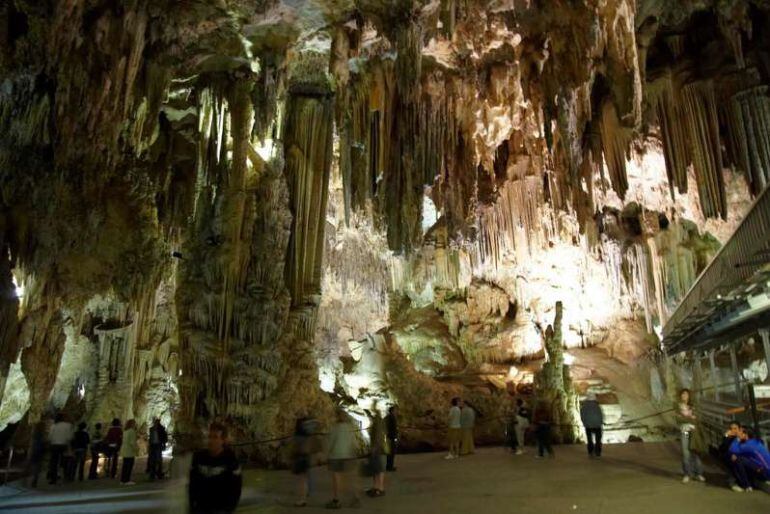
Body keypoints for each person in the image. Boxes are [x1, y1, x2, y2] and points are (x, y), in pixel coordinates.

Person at [189, 422, 243, 514]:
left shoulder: (230, 459)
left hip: (221, 509)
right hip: (201, 508)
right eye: (209, 436)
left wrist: (229, 508)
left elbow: (236, 487)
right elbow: (192, 484)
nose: (211, 440)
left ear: (223, 440)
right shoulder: (199, 457)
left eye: (215, 437)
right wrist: (192, 506)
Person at [325, 408, 359, 509]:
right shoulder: (349, 428)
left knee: (336, 478)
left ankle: (336, 500)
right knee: (350, 477)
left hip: (336, 456)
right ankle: (355, 498)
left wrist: (326, 453)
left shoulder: (334, 428)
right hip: (348, 455)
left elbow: (330, 442)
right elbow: (354, 443)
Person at [675, 388, 706, 483]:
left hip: (694, 432)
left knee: (695, 452)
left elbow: (696, 419)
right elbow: (678, 420)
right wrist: (690, 418)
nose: (684, 396)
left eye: (686, 394)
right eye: (683, 394)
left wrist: (685, 417)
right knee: (685, 453)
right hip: (685, 431)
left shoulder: (693, 406)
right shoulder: (677, 406)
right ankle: (687, 474)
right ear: (680, 396)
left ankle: (699, 473)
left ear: (689, 396)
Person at [728, 426, 770, 492]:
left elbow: (732, 449)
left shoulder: (747, 446)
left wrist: (736, 439)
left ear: (745, 435)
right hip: (764, 470)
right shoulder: (754, 442)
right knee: (738, 458)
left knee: (738, 460)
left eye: (740, 431)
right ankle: (747, 484)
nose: (737, 433)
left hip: (766, 473)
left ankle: (746, 485)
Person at [291, 417, 317, 507]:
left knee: (301, 480)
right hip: (305, 458)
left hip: (300, 458)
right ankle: (304, 496)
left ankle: (302, 500)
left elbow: (297, 447)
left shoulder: (298, 436)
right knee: (305, 478)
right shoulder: (308, 434)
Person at [365, 408, 387, 498]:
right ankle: (375, 487)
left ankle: (380, 488)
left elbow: (378, 436)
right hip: (376, 448)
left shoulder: (377, 422)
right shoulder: (376, 421)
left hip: (377, 449)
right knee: (375, 468)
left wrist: (374, 448)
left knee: (379, 468)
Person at [47, 413, 73, 484]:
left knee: (54, 463)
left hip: (54, 446)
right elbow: (69, 438)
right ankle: (65, 477)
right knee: (64, 462)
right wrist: (69, 448)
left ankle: (53, 478)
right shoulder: (68, 426)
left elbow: (50, 437)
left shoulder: (53, 426)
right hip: (63, 445)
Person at [580, 393, 604, 458]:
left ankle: (590, 452)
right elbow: (600, 415)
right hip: (597, 425)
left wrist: (584, 422)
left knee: (589, 439)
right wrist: (601, 422)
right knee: (598, 439)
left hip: (588, 425)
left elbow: (582, 415)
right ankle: (598, 452)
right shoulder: (597, 406)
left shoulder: (584, 406)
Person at [718, 422, 741, 488]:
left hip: (741, 455)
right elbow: (723, 448)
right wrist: (726, 436)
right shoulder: (729, 437)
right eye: (731, 429)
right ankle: (733, 483)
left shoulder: (741, 436)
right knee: (731, 459)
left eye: (735, 428)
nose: (733, 430)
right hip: (730, 456)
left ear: (739, 429)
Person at [27, 421, 46, 488]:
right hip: (39, 451)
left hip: (35, 450)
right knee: (37, 466)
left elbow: (32, 443)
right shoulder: (41, 435)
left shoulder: (34, 434)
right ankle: (34, 479)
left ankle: (33, 478)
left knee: (34, 465)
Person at [119, 419, 138, 485]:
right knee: (129, 466)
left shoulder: (125, 431)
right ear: (132, 424)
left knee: (125, 466)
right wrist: (136, 450)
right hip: (129, 451)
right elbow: (132, 442)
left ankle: (122, 480)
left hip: (124, 450)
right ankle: (127, 480)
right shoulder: (132, 431)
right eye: (134, 423)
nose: (135, 424)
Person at [385, 406, 398, 471]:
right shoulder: (392, 418)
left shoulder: (387, 417)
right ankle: (390, 467)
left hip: (388, 437)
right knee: (392, 453)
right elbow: (394, 429)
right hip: (392, 437)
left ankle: (388, 466)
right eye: (395, 410)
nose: (396, 411)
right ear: (392, 411)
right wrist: (395, 438)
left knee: (389, 453)